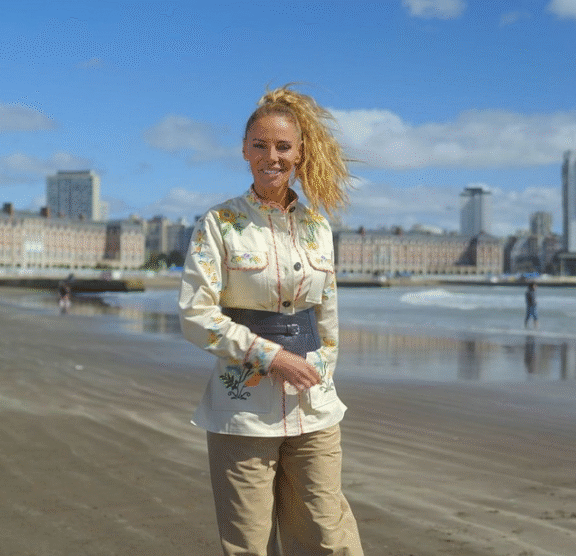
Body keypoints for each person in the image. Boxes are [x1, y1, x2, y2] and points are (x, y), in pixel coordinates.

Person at [178, 84, 363, 555]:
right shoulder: (218, 223)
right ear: (244, 150)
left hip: (313, 405)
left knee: (327, 535)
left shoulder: (318, 227)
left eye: (283, 146)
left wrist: (321, 374)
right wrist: (272, 358)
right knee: (249, 544)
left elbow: (328, 317)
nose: (271, 156)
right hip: (241, 410)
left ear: (300, 152)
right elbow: (196, 315)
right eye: (260, 145)